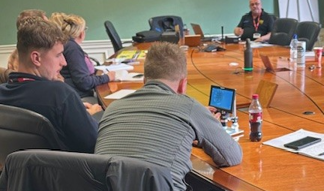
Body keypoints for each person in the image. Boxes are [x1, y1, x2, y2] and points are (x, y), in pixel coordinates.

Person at [95, 42, 242, 191]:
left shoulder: (112, 108)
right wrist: (203, 132)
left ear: (145, 80)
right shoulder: (189, 107)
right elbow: (232, 156)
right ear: (182, 85)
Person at [0, 17, 99, 153]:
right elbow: (93, 144)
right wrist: (91, 116)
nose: (64, 62)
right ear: (36, 58)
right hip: (71, 171)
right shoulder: (59, 94)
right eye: (58, 55)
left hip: (15, 173)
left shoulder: (2, 95)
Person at [54, 13, 115, 103]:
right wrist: (107, 77)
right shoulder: (72, 48)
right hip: (80, 96)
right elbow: (84, 82)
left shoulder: (67, 44)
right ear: (81, 33)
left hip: (70, 93)